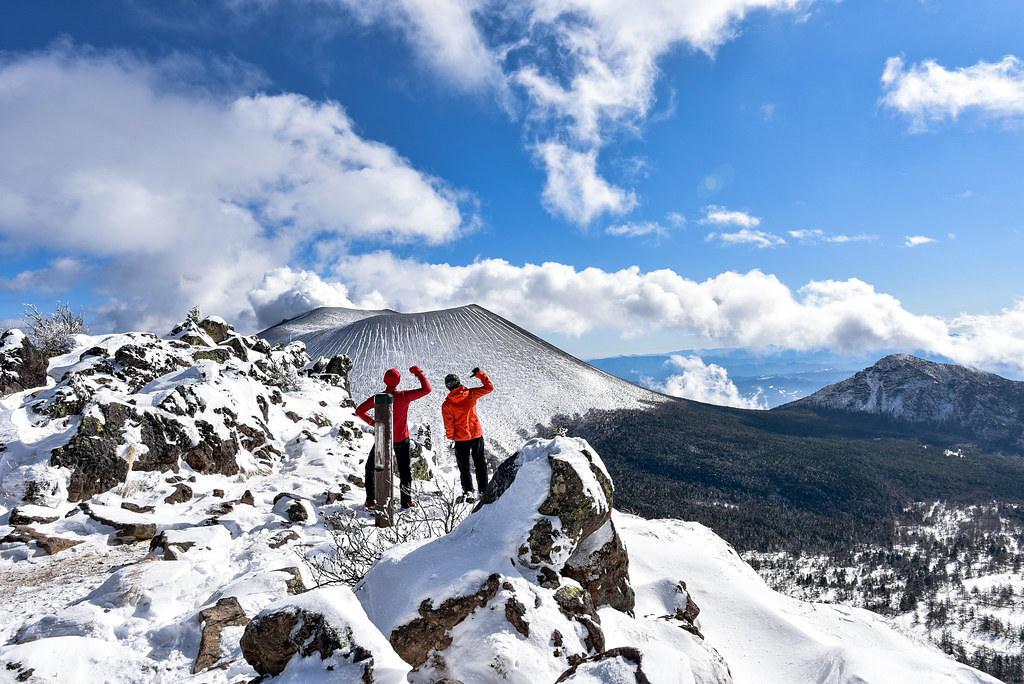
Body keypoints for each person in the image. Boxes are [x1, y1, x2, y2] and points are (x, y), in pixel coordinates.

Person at [355, 366, 431, 509]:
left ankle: (371, 500)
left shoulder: (378, 398)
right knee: (404, 471)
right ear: (398, 381)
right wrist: (419, 373)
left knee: (371, 468)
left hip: (382, 439)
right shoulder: (404, 396)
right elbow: (426, 389)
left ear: (385, 381)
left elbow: (359, 411)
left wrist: (373, 423)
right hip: (402, 439)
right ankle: (406, 502)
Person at [441, 367, 494, 503]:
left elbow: (449, 424)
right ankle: (483, 491)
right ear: (459, 382)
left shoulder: (447, 404)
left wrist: (451, 437)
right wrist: (479, 374)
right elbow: (489, 388)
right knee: (480, 463)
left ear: (448, 387)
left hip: (461, 438)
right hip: (476, 434)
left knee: (464, 466)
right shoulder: (471, 394)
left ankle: (468, 492)